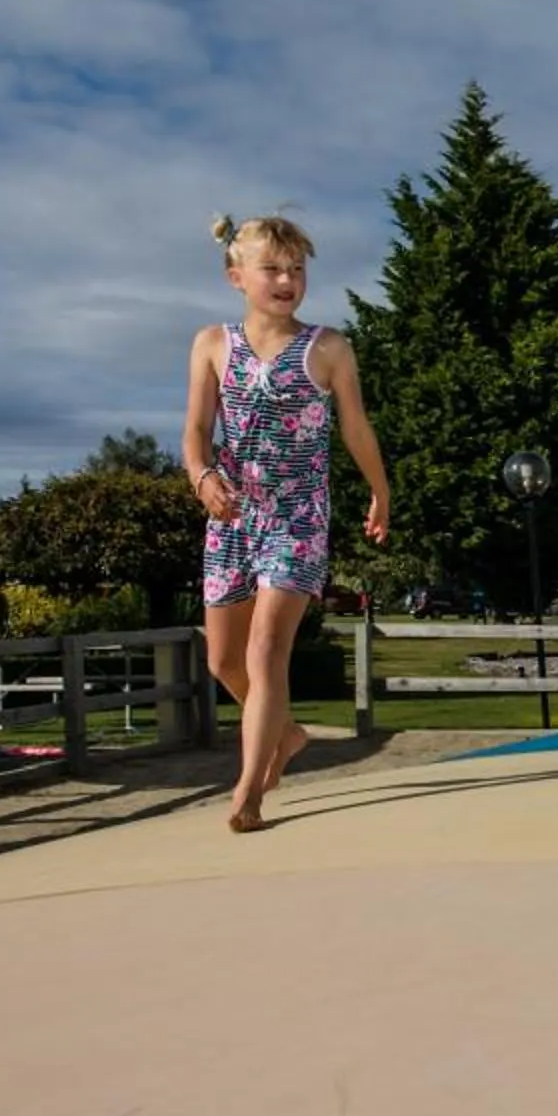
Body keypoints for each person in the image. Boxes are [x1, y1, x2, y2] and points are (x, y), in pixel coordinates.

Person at [181, 213, 393, 833]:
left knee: (266, 649)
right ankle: (288, 731)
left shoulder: (328, 348)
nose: (287, 280)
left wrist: (380, 491)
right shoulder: (212, 344)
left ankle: (248, 791)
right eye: (272, 268)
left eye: (297, 269)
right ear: (236, 276)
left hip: (298, 516)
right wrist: (201, 479)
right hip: (232, 515)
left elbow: (355, 427)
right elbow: (195, 431)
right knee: (224, 662)